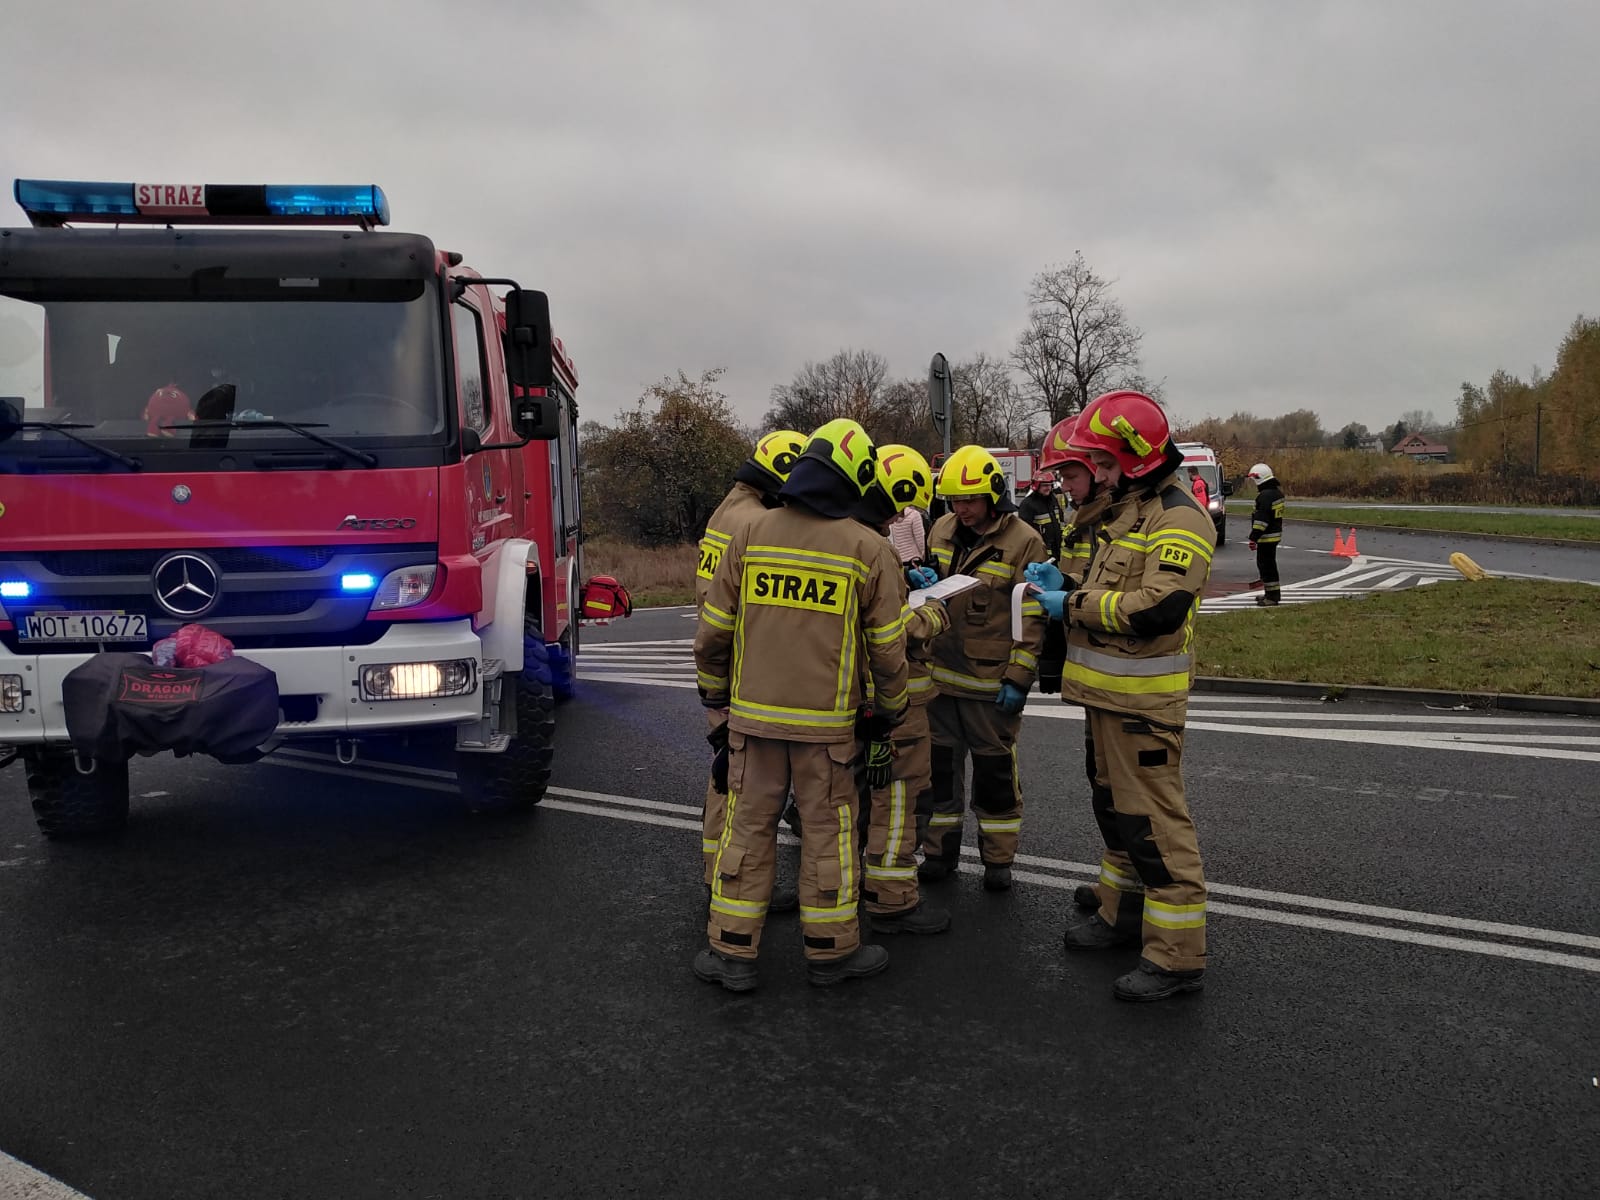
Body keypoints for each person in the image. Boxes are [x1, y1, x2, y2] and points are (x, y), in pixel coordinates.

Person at [693, 418, 910, 991]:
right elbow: (888, 651)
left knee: (747, 828)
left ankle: (732, 952)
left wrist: (715, 698)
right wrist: (890, 711)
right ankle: (831, 952)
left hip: (753, 724)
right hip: (829, 734)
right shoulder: (869, 549)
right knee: (829, 834)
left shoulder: (749, 533)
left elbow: (712, 634)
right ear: (855, 480)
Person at [1025, 390, 1213, 1002]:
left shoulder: (1179, 518)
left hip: (1142, 706)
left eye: (1105, 464)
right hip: (1109, 699)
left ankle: (1176, 958)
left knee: (1156, 829)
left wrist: (1071, 603)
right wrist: (1065, 582)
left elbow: (1159, 608)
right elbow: (1113, 587)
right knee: (1119, 817)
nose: (1099, 475)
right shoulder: (1135, 511)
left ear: (1135, 459)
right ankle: (1122, 916)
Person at [917, 444, 1048, 892]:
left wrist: (1019, 678)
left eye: (970, 500)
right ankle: (939, 853)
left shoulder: (1024, 541)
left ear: (993, 496)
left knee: (995, 778)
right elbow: (932, 583)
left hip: (991, 685)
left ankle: (998, 860)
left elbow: (1031, 616)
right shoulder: (940, 529)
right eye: (954, 500)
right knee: (939, 774)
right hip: (939, 679)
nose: (961, 509)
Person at [695, 429, 807, 896]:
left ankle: (717, 871)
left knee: (727, 771)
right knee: (738, 777)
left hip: (722, 661)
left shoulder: (730, 509)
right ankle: (727, 879)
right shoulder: (753, 522)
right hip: (741, 666)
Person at [850, 444, 953, 936]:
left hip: (847, 698)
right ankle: (892, 900)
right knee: (897, 798)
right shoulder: (875, 547)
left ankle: (849, 887)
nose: (899, 518)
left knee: (852, 796)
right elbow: (895, 628)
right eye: (899, 508)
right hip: (893, 702)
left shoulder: (834, 537)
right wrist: (933, 612)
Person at [1247, 463, 1285, 607]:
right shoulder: (1276, 493)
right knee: (1270, 566)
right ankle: (1271, 594)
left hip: (1266, 537)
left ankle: (1272, 597)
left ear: (1259, 478)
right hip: (1274, 535)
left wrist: (1253, 537)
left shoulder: (1265, 496)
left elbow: (1261, 520)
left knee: (1266, 567)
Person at [1017, 471, 1064, 562]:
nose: (1049, 488)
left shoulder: (1053, 500)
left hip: (1057, 552)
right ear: (1036, 485)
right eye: (1045, 485)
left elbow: (1060, 521)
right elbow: (1024, 532)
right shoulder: (1027, 504)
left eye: (1050, 485)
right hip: (1040, 554)